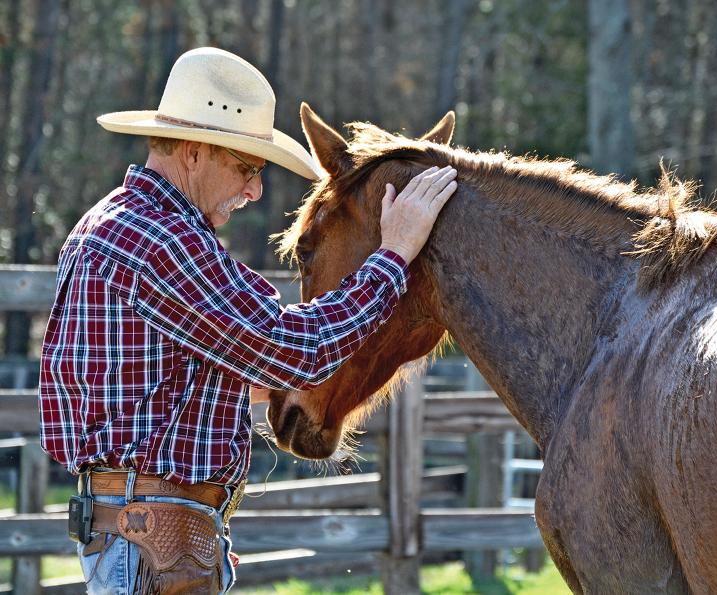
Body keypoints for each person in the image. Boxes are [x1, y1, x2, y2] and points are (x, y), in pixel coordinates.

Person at [37, 47, 457, 594]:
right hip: (157, 545)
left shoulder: (111, 223)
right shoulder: (162, 241)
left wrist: (242, 384)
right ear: (193, 153)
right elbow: (296, 350)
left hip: (142, 538)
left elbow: (147, 385)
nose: (254, 190)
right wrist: (395, 253)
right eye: (245, 169)